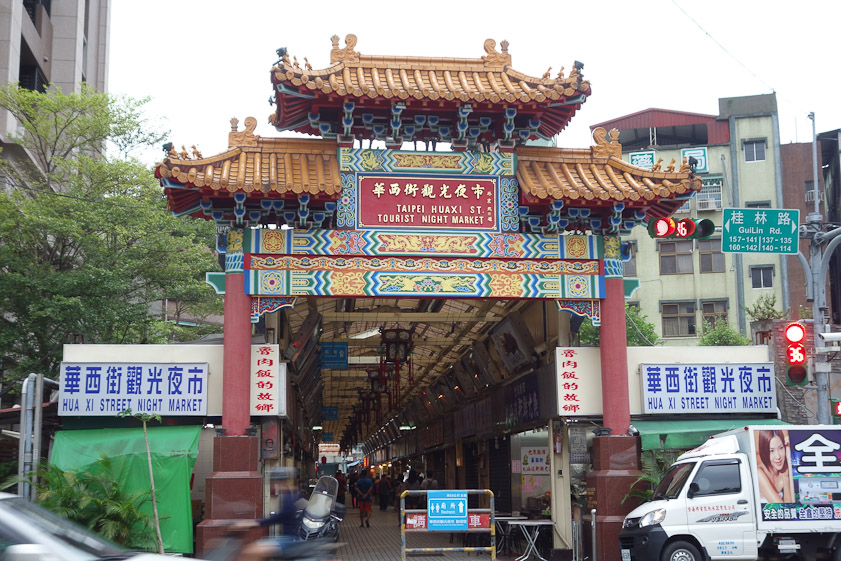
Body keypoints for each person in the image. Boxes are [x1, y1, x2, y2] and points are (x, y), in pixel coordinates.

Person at [756, 429, 795, 503]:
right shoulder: (759, 473)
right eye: (771, 451)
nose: (778, 456)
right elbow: (781, 508)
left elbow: (791, 506)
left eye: (781, 448)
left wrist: (785, 477)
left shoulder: (785, 471)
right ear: (764, 451)